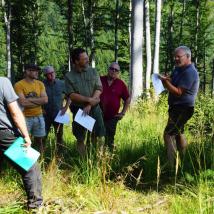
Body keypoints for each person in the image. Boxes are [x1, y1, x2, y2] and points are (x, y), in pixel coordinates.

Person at [0, 77, 43, 210]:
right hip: (4, 133)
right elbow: (15, 111)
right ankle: (35, 207)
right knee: (31, 166)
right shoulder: (3, 82)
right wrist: (26, 136)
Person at [159, 46, 199, 167]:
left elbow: (178, 92)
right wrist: (167, 79)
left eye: (178, 56)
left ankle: (172, 166)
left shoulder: (190, 72)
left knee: (168, 135)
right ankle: (184, 159)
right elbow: (174, 82)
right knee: (179, 133)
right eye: (174, 56)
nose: (176, 59)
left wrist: (165, 83)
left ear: (188, 57)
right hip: (176, 107)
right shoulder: (178, 69)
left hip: (183, 108)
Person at [64, 48, 105, 155]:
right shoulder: (69, 76)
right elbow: (71, 95)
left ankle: (97, 158)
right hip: (79, 111)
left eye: (87, 58)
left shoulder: (93, 71)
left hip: (94, 109)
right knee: (80, 137)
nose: (88, 60)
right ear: (76, 61)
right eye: (85, 59)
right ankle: (82, 161)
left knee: (97, 134)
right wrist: (89, 100)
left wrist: (90, 104)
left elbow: (99, 88)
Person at [14, 64, 48, 153]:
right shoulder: (19, 85)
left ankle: (41, 161)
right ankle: (25, 163)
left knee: (40, 141)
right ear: (27, 71)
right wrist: (37, 101)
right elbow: (22, 102)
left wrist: (29, 100)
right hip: (24, 117)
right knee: (25, 141)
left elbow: (45, 100)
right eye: (35, 71)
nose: (37, 73)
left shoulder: (40, 84)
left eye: (37, 71)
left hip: (39, 116)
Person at [100, 62, 131, 150]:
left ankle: (108, 158)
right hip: (97, 115)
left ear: (118, 72)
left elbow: (127, 99)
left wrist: (123, 113)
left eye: (116, 70)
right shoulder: (100, 80)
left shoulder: (120, 84)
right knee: (95, 136)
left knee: (109, 139)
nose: (113, 71)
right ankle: (93, 155)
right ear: (108, 69)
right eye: (112, 68)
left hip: (112, 118)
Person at [43, 65, 71, 151]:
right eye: (49, 73)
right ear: (45, 75)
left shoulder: (61, 83)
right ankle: (41, 154)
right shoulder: (41, 85)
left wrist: (66, 107)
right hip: (45, 115)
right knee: (43, 136)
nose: (52, 75)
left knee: (59, 135)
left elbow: (69, 96)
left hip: (58, 114)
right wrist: (41, 109)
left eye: (53, 72)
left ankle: (59, 155)